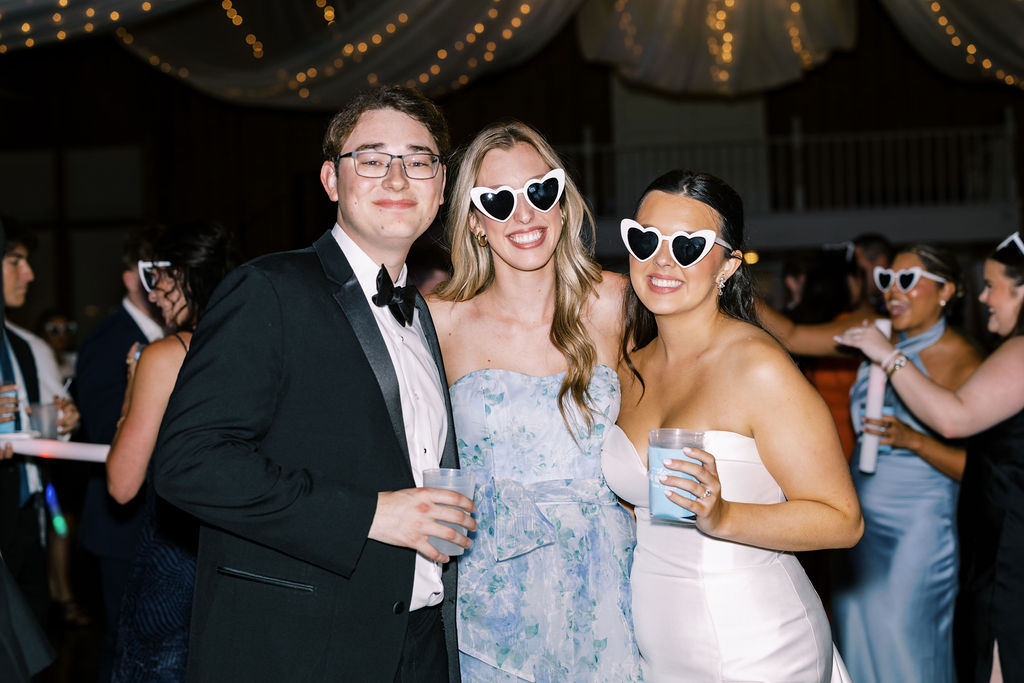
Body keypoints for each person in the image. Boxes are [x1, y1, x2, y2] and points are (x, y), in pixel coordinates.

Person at [151, 86, 474, 683]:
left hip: (419, 641)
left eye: (419, 161)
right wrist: (370, 516)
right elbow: (187, 463)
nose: (398, 179)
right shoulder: (269, 289)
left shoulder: (421, 313)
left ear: (442, 187)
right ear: (331, 179)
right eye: (373, 160)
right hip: (301, 648)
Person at [601, 170, 863, 682]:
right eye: (645, 238)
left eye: (690, 246)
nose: (662, 260)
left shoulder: (757, 366)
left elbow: (843, 520)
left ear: (727, 266)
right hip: (656, 646)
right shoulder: (626, 367)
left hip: (757, 645)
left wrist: (723, 516)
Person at [428, 121, 643, 681]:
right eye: (497, 201)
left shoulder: (614, 301)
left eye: (539, 191)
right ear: (475, 222)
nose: (523, 215)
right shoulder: (439, 322)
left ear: (563, 202)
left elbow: (673, 401)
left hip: (609, 583)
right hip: (488, 594)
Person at [835, 230, 1024, 683]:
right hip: (989, 538)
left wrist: (888, 357)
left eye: (994, 285)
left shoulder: (1009, 353)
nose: (984, 296)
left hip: (1004, 545)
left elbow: (955, 422)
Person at [105, 220, 236, 682]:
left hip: (175, 555)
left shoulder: (165, 355)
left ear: (181, 274)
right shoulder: (256, 345)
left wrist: (129, 398)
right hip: (243, 553)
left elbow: (122, 485)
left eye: (155, 277)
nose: (152, 292)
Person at [76, 226, 166, 683]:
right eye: (159, 272)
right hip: (122, 522)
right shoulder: (110, 341)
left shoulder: (170, 336)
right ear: (134, 278)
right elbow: (103, 427)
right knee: (125, 647)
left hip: (159, 521)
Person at [0, 217, 79, 626]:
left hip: (28, 512)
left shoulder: (25, 346)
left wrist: (63, 420)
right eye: (16, 262)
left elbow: (41, 425)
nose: (29, 274)